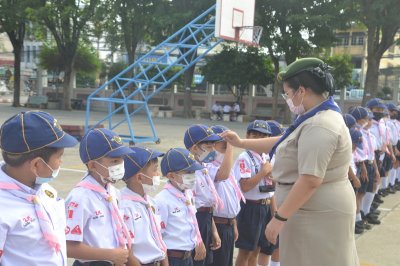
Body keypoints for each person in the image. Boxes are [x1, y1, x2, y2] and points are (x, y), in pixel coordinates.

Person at [221, 58, 359, 266]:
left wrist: (279, 218)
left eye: (287, 93)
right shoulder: (317, 116)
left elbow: (310, 179)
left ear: (301, 91)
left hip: (313, 213)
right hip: (309, 208)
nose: (287, 98)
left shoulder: (319, 125)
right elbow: (285, 141)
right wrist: (241, 142)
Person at [0, 111, 78, 265]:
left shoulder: (44, 190)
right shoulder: (3, 209)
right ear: (37, 165)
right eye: (59, 157)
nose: (61, 162)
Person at [65, 128, 140, 266]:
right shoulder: (80, 198)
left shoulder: (113, 193)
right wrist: (110, 255)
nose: (120, 165)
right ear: (93, 165)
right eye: (114, 161)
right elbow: (68, 247)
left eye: (122, 160)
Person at [233, 120, 275, 266]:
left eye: (264, 137)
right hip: (251, 207)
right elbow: (244, 186)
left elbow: (271, 186)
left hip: (265, 206)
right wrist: (263, 173)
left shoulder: (265, 156)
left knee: (257, 249)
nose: (259, 140)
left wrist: (271, 176)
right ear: (247, 136)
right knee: (245, 251)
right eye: (255, 135)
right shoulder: (244, 157)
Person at [155, 148, 206, 266]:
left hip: (188, 256)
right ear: (171, 176)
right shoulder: (162, 200)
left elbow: (192, 221)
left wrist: (198, 240)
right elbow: (159, 235)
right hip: (173, 258)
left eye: (193, 172)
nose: (193, 176)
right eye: (188, 173)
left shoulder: (187, 193)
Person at [119, 147, 168, 266]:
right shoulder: (124, 206)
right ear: (140, 177)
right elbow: (125, 247)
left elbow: (159, 237)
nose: (158, 175)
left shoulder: (151, 202)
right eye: (155, 170)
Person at [183, 124, 222, 266]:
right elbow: (189, 209)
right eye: (209, 146)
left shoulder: (203, 167)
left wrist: (214, 230)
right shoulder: (187, 173)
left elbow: (208, 202)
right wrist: (198, 238)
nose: (213, 150)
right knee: (197, 260)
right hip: (196, 221)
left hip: (206, 219)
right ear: (194, 148)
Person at [208, 125, 243, 266]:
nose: (228, 150)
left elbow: (232, 199)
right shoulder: (209, 166)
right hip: (216, 224)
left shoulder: (229, 168)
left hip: (227, 224)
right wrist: (231, 147)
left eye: (227, 147)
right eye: (224, 147)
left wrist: (233, 223)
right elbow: (222, 175)